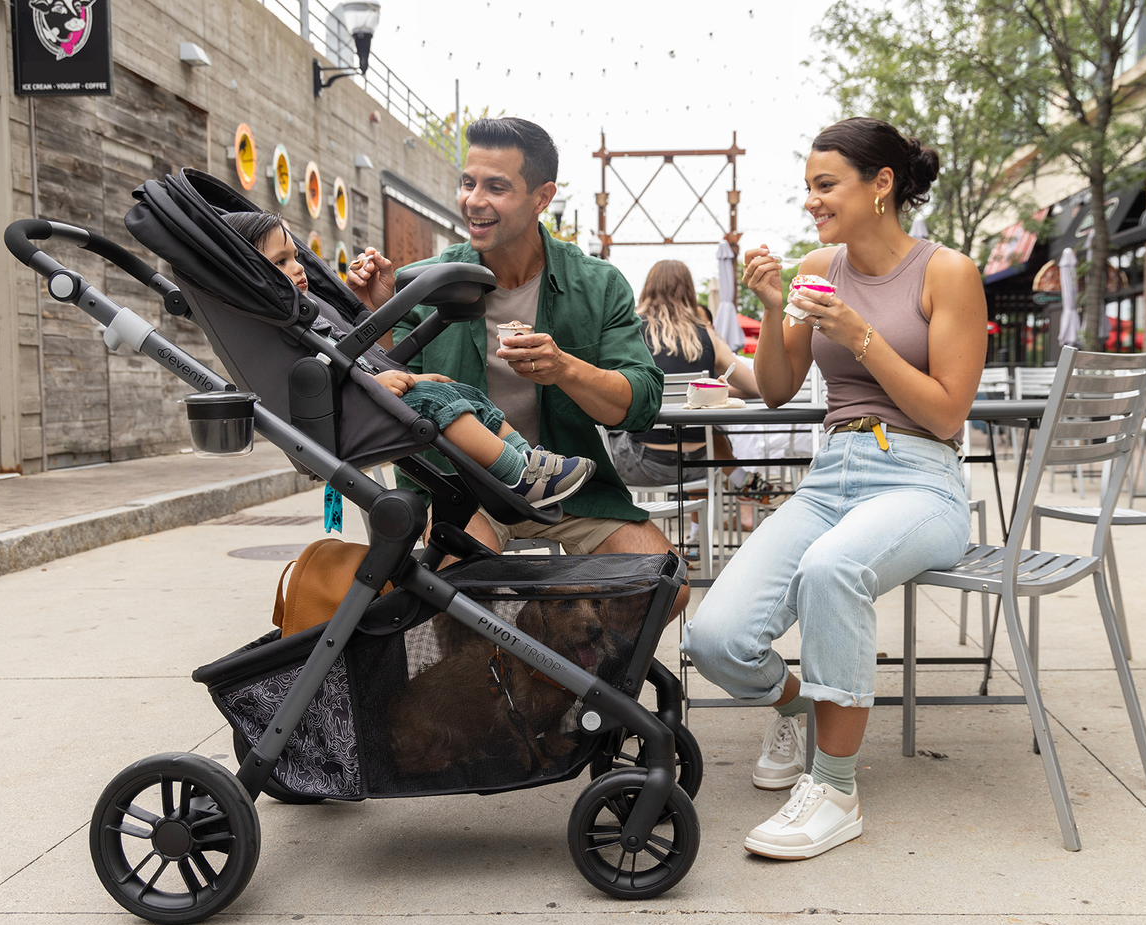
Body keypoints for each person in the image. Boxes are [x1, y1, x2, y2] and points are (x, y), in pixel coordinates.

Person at [681, 117, 987, 860]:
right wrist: (772, 304)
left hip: (922, 478)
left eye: (826, 186)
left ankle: (835, 788)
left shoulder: (949, 273)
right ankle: (797, 708)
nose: (811, 203)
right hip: (832, 475)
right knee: (713, 638)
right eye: (808, 189)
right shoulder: (819, 265)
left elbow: (947, 410)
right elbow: (780, 390)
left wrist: (859, 337)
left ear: (881, 185)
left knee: (832, 569)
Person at [348, 117, 690, 613]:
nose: (473, 200)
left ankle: (565, 677)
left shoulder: (598, 284)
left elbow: (638, 404)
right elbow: (396, 397)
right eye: (468, 183)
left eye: (496, 187)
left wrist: (564, 369)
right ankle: (515, 676)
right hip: (462, 487)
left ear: (541, 196)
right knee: (451, 598)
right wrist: (379, 316)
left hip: (574, 488)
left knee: (667, 587)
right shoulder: (424, 282)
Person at [224, 210, 595, 507]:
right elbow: (313, 376)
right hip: (345, 412)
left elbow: (350, 355)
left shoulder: (308, 308)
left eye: (295, 255)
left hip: (365, 397)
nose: (298, 267)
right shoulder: (278, 327)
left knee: (461, 392)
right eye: (281, 262)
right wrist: (373, 384)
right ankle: (516, 477)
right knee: (437, 403)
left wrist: (409, 377)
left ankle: (529, 463)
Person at [606, 260, 758, 491]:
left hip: (641, 464)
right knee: (713, 433)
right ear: (689, 291)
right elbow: (756, 387)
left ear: (648, 288)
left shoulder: (629, 330)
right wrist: (713, 393)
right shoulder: (707, 335)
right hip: (700, 464)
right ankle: (701, 525)